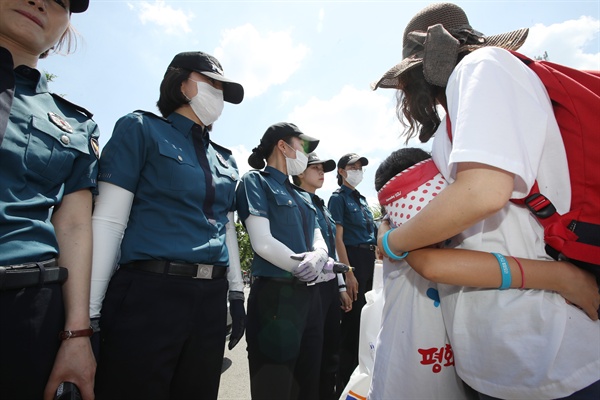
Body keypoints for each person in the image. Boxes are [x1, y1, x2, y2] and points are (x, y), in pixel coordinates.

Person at [372, 3, 600, 399]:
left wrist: (391, 241)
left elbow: (482, 192)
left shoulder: (481, 68)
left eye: (405, 84)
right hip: (502, 351)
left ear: (417, 70)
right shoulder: (461, 110)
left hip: (544, 347)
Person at [369, 148, 599, 399]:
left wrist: (388, 233)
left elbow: (427, 259)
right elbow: (428, 262)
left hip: (540, 362)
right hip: (457, 373)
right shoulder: (406, 245)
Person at [91, 51, 246, 399]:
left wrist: (235, 292)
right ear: (181, 83)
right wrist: (90, 316)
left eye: (224, 88)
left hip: (209, 299)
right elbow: (109, 222)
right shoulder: (140, 128)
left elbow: (225, 229)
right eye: (212, 83)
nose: (219, 94)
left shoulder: (224, 158)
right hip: (150, 293)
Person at [0, 1, 97, 399]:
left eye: (61, 1)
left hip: (25, 312)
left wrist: (76, 333)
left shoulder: (75, 123)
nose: (41, 2)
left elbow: (74, 224)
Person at [236, 122, 337, 400]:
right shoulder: (255, 181)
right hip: (275, 297)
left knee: (308, 382)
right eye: (302, 146)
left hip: (310, 297)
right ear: (282, 145)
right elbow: (262, 242)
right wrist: (300, 266)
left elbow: (318, 236)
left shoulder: (303, 196)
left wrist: (318, 255)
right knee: (275, 387)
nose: (305, 154)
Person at [292, 152, 353, 399]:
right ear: (299, 172)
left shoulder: (322, 206)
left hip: (328, 285)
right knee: (310, 357)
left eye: (323, 168)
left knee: (330, 352)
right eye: (314, 167)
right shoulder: (295, 201)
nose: (321, 172)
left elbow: (331, 250)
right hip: (308, 285)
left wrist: (340, 287)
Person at [327, 152, 377, 392]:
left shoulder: (363, 200)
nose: (357, 170)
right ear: (341, 171)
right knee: (352, 326)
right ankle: (344, 385)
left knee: (369, 323)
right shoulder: (338, 199)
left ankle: (362, 381)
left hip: (370, 260)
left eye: (360, 167)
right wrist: (348, 273)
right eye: (352, 166)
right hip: (353, 259)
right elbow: (338, 239)